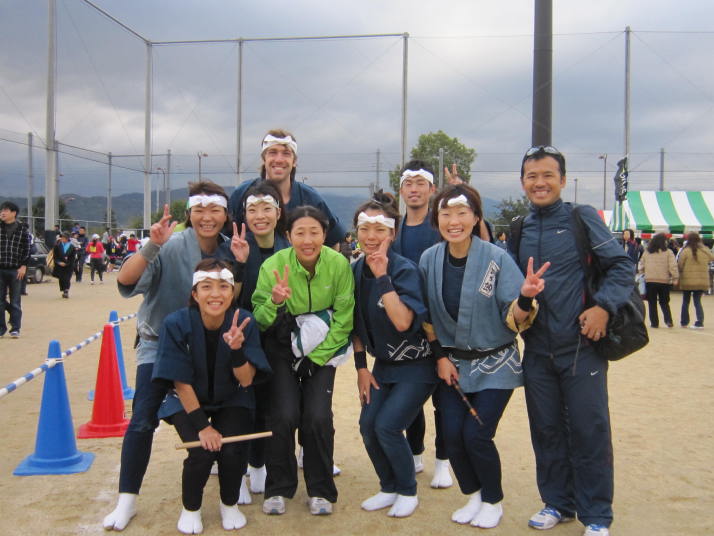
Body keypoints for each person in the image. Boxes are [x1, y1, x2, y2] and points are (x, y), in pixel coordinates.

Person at [103, 181, 243, 531]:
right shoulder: (170, 244)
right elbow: (126, 281)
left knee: (228, 408)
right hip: (158, 343)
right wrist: (152, 245)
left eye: (215, 210)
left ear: (226, 215)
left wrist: (242, 264)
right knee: (142, 419)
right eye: (199, 210)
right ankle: (126, 500)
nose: (207, 217)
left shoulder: (232, 248)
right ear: (189, 214)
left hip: (209, 347)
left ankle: (238, 477)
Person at [510, 146, 633, 536]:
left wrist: (603, 307)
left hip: (582, 346)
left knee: (589, 429)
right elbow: (512, 285)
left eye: (548, 175)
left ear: (562, 180)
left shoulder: (581, 217)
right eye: (532, 176)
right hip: (537, 350)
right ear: (523, 182)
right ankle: (558, 502)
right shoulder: (519, 228)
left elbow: (621, 266)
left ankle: (596, 515)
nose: (540, 183)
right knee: (545, 430)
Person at [420, 184, 546, 529]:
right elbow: (426, 318)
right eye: (446, 214)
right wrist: (440, 357)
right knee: (451, 434)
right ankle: (474, 495)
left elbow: (515, 318)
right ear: (436, 219)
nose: (454, 221)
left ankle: (493, 500)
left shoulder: (496, 258)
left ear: (476, 217)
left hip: (496, 364)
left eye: (462, 213)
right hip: (452, 364)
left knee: (476, 435)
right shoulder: (429, 260)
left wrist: (525, 297)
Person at [152, 259, 271, 534]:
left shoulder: (244, 322)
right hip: (185, 397)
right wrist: (203, 427)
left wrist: (237, 350)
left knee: (232, 450)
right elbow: (180, 382)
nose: (215, 294)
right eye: (206, 287)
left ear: (232, 292)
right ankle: (191, 508)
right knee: (202, 451)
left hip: (231, 396)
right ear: (195, 294)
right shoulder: (176, 323)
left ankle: (229, 504)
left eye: (223, 287)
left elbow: (246, 380)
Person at [252, 206, 354, 516]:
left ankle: (321, 490)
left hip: (322, 346)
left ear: (325, 234)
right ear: (288, 235)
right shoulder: (273, 265)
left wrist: (317, 358)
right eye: (300, 233)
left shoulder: (338, 264)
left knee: (318, 417)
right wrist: (275, 301)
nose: (307, 240)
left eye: (314, 232)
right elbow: (259, 319)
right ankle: (278, 488)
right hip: (282, 344)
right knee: (283, 416)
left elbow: (344, 319)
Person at [351, 192, 437, 519]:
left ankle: (408, 490)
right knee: (367, 425)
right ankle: (388, 486)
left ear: (393, 233)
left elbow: (402, 322)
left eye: (380, 229)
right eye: (364, 229)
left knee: (388, 426)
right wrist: (361, 367)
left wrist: (383, 277)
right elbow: (353, 324)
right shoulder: (354, 270)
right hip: (383, 365)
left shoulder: (404, 270)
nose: (371, 236)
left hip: (417, 365)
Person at [391, 160, 453, 487]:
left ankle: (443, 461)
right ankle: (415, 453)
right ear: (401, 190)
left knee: (444, 398)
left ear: (432, 189)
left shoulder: (441, 226)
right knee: (410, 397)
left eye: (420, 183)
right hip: (407, 324)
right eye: (408, 184)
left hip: (441, 323)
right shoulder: (395, 229)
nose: (414, 189)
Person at [231, 181, 289, 494]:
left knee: (271, 407)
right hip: (243, 337)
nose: (260, 216)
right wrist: (239, 264)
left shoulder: (290, 247)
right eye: (252, 210)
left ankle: (259, 465)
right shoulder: (236, 246)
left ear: (279, 213)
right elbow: (229, 298)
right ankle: (237, 470)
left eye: (267, 208)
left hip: (280, 340)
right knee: (241, 406)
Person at [228, 129, 345, 249]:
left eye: (286, 153)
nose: (279, 160)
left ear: (294, 161)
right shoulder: (242, 194)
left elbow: (333, 241)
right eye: (273, 152)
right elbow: (223, 237)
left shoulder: (311, 199)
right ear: (263, 159)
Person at [0, 201, 31, 338]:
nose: (2, 213)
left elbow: (27, 249)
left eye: (5, 210)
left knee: (15, 300)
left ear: (14, 213)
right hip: (0, 268)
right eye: (1, 210)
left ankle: (15, 328)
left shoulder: (22, 229)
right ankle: (1, 328)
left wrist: (23, 266)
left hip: (16, 270)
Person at [639, 232, 679, 328]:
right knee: (664, 302)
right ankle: (668, 320)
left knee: (652, 302)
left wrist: (643, 273)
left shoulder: (647, 252)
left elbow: (641, 265)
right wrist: (675, 278)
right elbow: (673, 266)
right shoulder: (668, 252)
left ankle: (654, 323)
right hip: (664, 281)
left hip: (650, 281)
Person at [677, 231, 712, 328]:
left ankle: (684, 322)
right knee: (697, 301)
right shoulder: (704, 250)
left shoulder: (685, 251)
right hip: (701, 280)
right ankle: (700, 322)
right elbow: (711, 258)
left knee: (685, 301)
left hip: (687, 280)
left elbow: (680, 264)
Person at [52, 231, 76, 299]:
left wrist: (67, 263)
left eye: (64, 237)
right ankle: (64, 290)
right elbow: (55, 256)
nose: (62, 238)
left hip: (69, 265)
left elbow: (73, 257)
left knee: (67, 278)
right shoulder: (57, 246)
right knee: (61, 279)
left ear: (67, 238)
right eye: (62, 237)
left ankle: (66, 291)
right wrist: (59, 262)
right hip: (60, 266)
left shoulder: (72, 247)